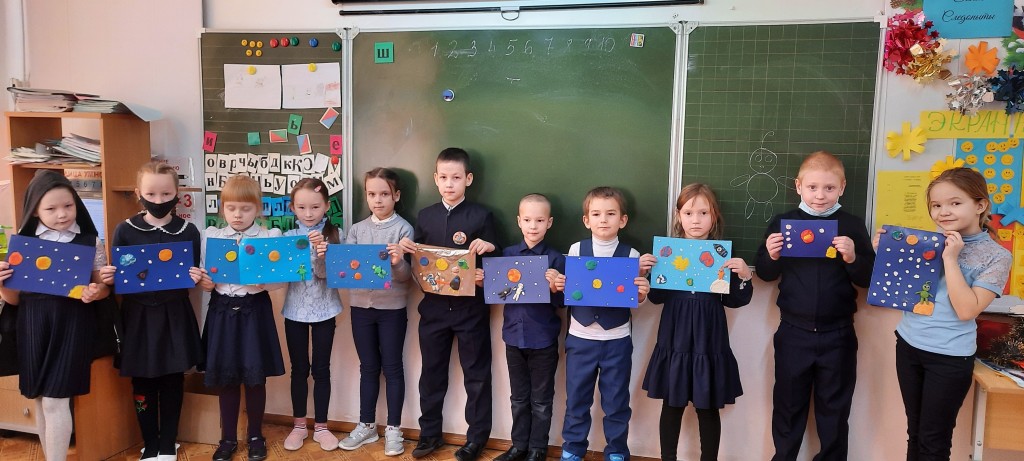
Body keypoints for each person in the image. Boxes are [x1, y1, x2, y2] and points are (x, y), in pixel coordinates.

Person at [875, 167, 1010, 461]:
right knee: (915, 433)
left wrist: (950, 258)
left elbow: (967, 310)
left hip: (949, 357)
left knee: (934, 441)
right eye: (936, 205)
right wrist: (886, 253)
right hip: (909, 344)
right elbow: (903, 293)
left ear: (980, 205)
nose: (943, 212)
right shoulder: (925, 242)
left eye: (955, 203)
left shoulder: (997, 256)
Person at [755, 151, 875, 461]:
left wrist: (853, 257)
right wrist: (771, 254)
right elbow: (766, 274)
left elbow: (867, 279)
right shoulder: (783, 222)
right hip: (793, 332)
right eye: (812, 187)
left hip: (838, 335)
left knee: (834, 411)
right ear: (798, 186)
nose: (820, 195)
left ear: (842, 188)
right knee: (787, 407)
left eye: (829, 188)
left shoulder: (851, 225)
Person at [0, 170, 110, 461]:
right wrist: (2, 285)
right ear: (35, 210)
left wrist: (96, 291)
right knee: (39, 397)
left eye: (68, 206)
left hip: (73, 324)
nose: (62, 214)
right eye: (51, 208)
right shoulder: (24, 243)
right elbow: (14, 299)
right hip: (33, 323)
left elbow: (103, 288)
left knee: (55, 400)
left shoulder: (89, 241)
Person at [98, 161, 204, 461]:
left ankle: (168, 443)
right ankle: (150, 443)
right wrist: (109, 277)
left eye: (166, 194)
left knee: (172, 378)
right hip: (138, 317)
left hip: (174, 314)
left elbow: (191, 276)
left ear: (177, 194)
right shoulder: (125, 230)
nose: (159, 200)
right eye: (151, 194)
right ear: (138, 194)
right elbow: (119, 277)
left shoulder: (188, 230)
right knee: (142, 380)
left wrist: (196, 277)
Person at [398, 148, 499, 461]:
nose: (449, 183)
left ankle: (476, 439)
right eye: (443, 177)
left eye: (456, 177)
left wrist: (489, 249)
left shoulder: (482, 216)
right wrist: (406, 250)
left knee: (477, 377)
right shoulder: (425, 216)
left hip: (471, 311)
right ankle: (429, 434)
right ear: (435, 179)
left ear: (468, 179)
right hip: (434, 311)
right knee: (431, 374)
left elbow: (498, 269)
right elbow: (417, 265)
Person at [642, 183, 753, 461]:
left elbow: (734, 301)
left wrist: (744, 276)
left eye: (703, 213)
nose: (696, 220)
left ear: (714, 217)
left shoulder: (721, 254)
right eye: (689, 213)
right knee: (672, 404)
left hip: (709, 338)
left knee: (708, 406)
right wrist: (646, 272)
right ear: (678, 216)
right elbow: (656, 297)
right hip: (675, 336)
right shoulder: (667, 254)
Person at [558, 186, 655, 461]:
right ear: (586, 220)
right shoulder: (576, 250)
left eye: (611, 214)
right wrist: (561, 284)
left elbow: (635, 299)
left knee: (616, 402)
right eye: (596, 214)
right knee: (577, 399)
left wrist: (642, 293)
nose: (603, 219)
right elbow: (570, 291)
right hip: (580, 338)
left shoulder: (632, 255)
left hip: (617, 340)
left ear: (622, 220)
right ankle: (572, 449)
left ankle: (616, 451)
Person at [198, 174, 286, 461]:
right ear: (222, 208)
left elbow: (280, 281)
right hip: (222, 310)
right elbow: (205, 276)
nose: (238, 214)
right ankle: (227, 438)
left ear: (258, 209)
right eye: (231, 208)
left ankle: (256, 436)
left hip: (254, 310)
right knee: (226, 377)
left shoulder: (269, 238)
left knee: (255, 378)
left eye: (246, 209)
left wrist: (264, 282)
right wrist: (205, 282)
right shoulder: (212, 236)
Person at [339, 168, 413, 456]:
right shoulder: (357, 230)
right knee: (368, 367)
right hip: (360, 308)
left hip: (392, 309)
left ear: (397, 196)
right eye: (372, 194)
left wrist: (397, 262)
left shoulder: (404, 230)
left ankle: (394, 429)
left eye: (384, 194)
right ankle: (367, 425)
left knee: (392, 367)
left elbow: (406, 277)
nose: (378, 200)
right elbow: (346, 271)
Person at [491, 193, 566, 461]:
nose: (533, 226)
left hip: (543, 339)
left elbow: (563, 302)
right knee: (518, 398)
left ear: (549, 223)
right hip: (513, 337)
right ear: (519, 221)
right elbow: (499, 293)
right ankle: (519, 446)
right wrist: (485, 281)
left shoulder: (556, 259)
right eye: (527, 220)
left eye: (540, 220)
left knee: (541, 400)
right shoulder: (507, 256)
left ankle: (537, 449)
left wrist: (555, 286)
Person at [280, 178, 343, 452]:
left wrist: (321, 254)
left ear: (326, 206)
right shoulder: (286, 237)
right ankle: (298, 426)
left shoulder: (336, 234)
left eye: (315, 207)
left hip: (325, 310)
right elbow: (283, 276)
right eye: (302, 207)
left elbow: (329, 276)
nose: (308, 214)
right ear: (293, 208)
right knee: (298, 369)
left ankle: (321, 427)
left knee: (321, 369)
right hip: (294, 310)